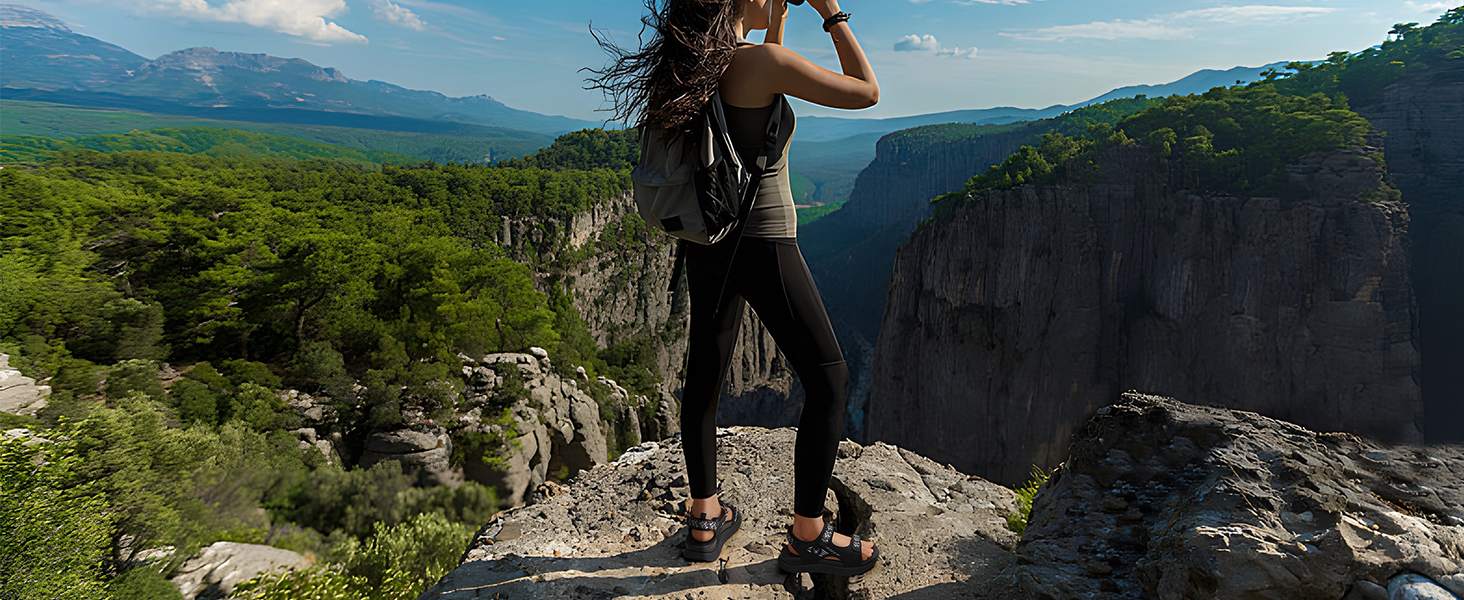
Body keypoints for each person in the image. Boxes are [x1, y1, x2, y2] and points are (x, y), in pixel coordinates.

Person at [589, 0, 879, 576]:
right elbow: (866, 91)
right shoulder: (761, 62)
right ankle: (809, 536)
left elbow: (749, 109)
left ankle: (704, 518)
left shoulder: (688, 62)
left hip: (708, 237)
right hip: (763, 240)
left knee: (705, 372)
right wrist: (833, 13)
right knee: (829, 377)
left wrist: (775, 28)